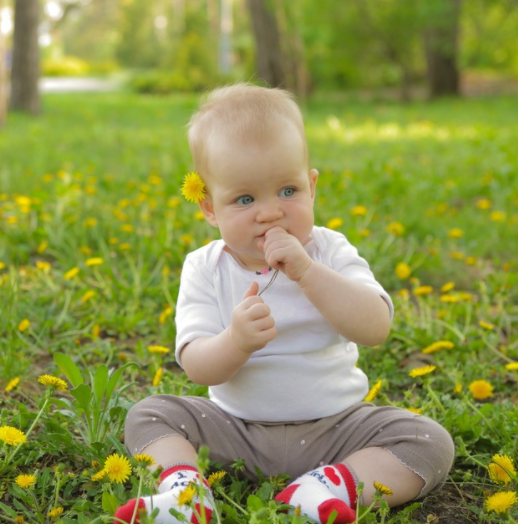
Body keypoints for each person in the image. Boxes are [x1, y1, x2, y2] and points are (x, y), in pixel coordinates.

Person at [112, 84, 454, 524]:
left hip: (337, 427)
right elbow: (197, 366)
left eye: (287, 191)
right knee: (150, 414)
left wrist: (309, 274)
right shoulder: (205, 267)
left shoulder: (329, 251)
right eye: (245, 199)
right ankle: (186, 492)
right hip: (235, 430)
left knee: (427, 440)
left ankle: (325, 488)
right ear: (209, 209)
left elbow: (375, 327)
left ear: (311, 186)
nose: (270, 212)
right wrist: (235, 342)